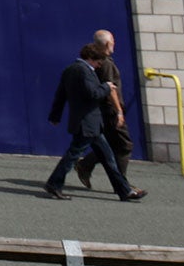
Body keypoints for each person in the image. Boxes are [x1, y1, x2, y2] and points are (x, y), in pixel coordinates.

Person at [44, 43, 147, 201]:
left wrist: (55, 115)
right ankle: (54, 183)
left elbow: (61, 95)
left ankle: (125, 191)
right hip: (88, 123)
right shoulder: (84, 71)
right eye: (98, 62)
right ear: (91, 58)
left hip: (88, 123)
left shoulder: (70, 70)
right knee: (74, 155)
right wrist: (106, 87)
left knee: (108, 158)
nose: (100, 65)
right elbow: (92, 94)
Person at [76, 28, 133, 191]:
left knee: (109, 145)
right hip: (109, 111)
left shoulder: (98, 61)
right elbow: (110, 88)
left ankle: (85, 165)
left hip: (103, 110)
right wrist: (119, 111)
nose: (114, 44)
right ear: (108, 43)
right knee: (124, 145)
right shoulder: (106, 63)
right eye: (113, 41)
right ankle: (121, 184)